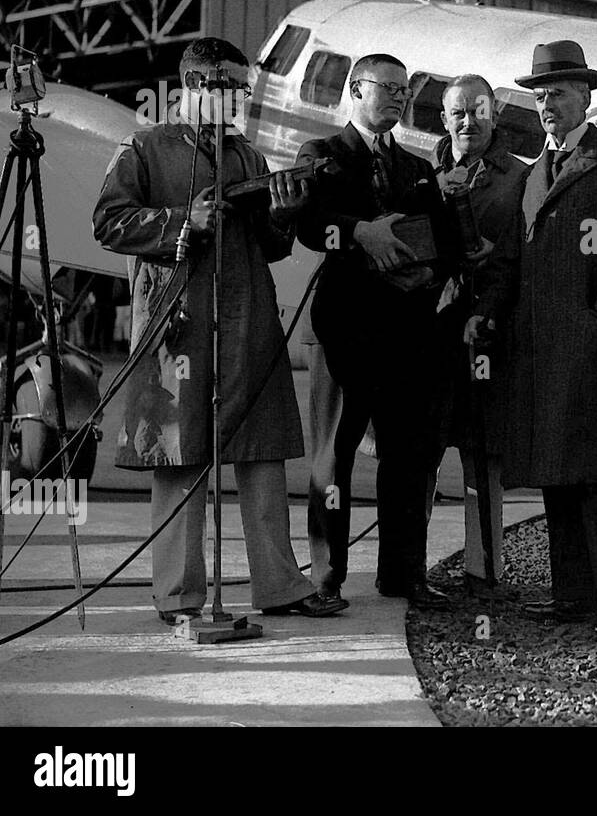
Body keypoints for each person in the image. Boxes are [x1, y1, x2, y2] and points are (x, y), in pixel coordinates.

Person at [93, 37, 343, 622]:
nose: (241, 99)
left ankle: (280, 586)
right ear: (197, 84)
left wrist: (283, 214)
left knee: (262, 455)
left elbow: (272, 245)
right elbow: (108, 221)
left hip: (248, 321)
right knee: (179, 456)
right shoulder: (143, 148)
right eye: (233, 87)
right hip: (177, 325)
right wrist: (185, 219)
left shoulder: (250, 158)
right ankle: (177, 596)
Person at [469, 41, 597, 639]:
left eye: (556, 93)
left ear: (586, 96)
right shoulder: (533, 177)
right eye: (538, 95)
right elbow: (510, 261)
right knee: (559, 476)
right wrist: (486, 311)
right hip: (544, 357)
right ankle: (573, 597)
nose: (546, 104)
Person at [295, 53, 459, 607]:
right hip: (345, 333)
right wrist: (359, 232)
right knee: (333, 458)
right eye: (386, 87)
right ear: (354, 90)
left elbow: (436, 240)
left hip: (408, 335)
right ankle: (325, 580)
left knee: (409, 459)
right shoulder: (323, 157)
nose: (397, 98)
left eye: (404, 90)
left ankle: (404, 575)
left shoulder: (416, 169)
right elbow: (310, 228)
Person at [430, 74, 527, 597]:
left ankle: (482, 570)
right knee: (421, 448)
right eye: (458, 112)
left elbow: (519, 261)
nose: (469, 121)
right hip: (432, 333)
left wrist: (488, 311)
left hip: (488, 334)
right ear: (443, 120)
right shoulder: (425, 174)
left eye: (479, 110)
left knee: (482, 452)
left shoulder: (520, 179)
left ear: (495, 115)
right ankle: (411, 574)